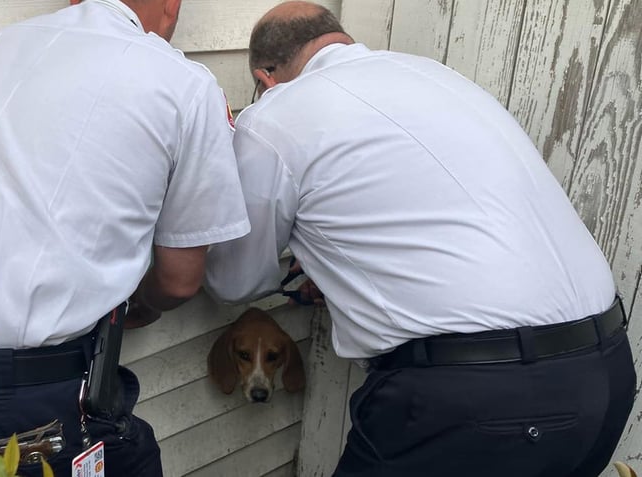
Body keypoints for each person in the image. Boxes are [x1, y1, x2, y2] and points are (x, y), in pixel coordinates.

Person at [205, 2, 636, 476]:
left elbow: (233, 279)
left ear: (265, 78)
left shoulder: (277, 113)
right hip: (608, 374)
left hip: (476, 399)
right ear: (338, 39)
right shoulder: (432, 76)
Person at [0, 0, 250, 476]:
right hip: (12, 406)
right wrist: (137, 305)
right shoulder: (183, 83)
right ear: (172, 5)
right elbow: (180, 280)